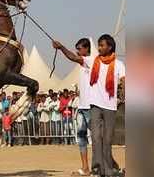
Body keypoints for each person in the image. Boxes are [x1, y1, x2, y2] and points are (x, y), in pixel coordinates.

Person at [53, 35, 125, 176]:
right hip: (94, 106)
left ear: (110, 47)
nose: (99, 48)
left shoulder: (119, 65)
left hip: (110, 107)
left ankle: (110, 170)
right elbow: (74, 58)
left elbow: (124, 81)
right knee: (96, 138)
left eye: (102, 45)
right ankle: (97, 170)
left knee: (107, 140)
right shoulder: (92, 61)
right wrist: (61, 47)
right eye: (98, 45)